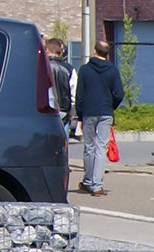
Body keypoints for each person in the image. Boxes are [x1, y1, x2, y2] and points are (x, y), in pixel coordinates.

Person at [73, 40, 123, 196]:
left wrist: (80, 114)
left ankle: (87, 180)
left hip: (88, 112)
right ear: (107, 54)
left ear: (95, 51)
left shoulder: (85, 70)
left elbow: (79, 95)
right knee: (101, 147)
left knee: (89, 147)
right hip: (105, 112)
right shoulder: (113, 70)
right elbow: (120, 93)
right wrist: (111, 105)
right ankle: (97, 185)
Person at [45, 38, 73, 137]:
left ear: (47, 50)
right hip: (63, 111)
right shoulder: (68, 69)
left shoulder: (39, 67)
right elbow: (74, 93)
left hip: (44, 111)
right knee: (63, 145)